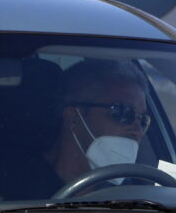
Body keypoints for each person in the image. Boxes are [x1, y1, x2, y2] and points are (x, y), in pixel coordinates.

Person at [42, 58, 151, 194]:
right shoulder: (14, 189)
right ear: (74, 117)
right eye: (122, 112)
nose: (138, 131)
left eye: (142, 120)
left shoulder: (136, 195)